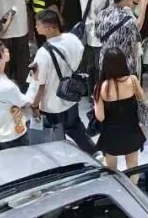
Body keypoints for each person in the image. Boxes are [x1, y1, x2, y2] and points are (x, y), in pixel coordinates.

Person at [28, 10, 98, 155]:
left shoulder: (43, 53)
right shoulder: (72, 39)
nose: (35, 27)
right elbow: (79, 56)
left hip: (52, 103)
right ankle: (94, 153)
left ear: (49, 27)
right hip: (70, 94)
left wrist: (34, 106)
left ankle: (63, 160)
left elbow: (40, 85)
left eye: (38, 24)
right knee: (76, 128)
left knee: (56, 136)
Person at [93, 47, 146, 171]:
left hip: (111, 135)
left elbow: (100, 117)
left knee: (111, 169)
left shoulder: (100, 87)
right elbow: (142, 99)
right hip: (131, 130)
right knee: (133, 166)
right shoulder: (133, 80)